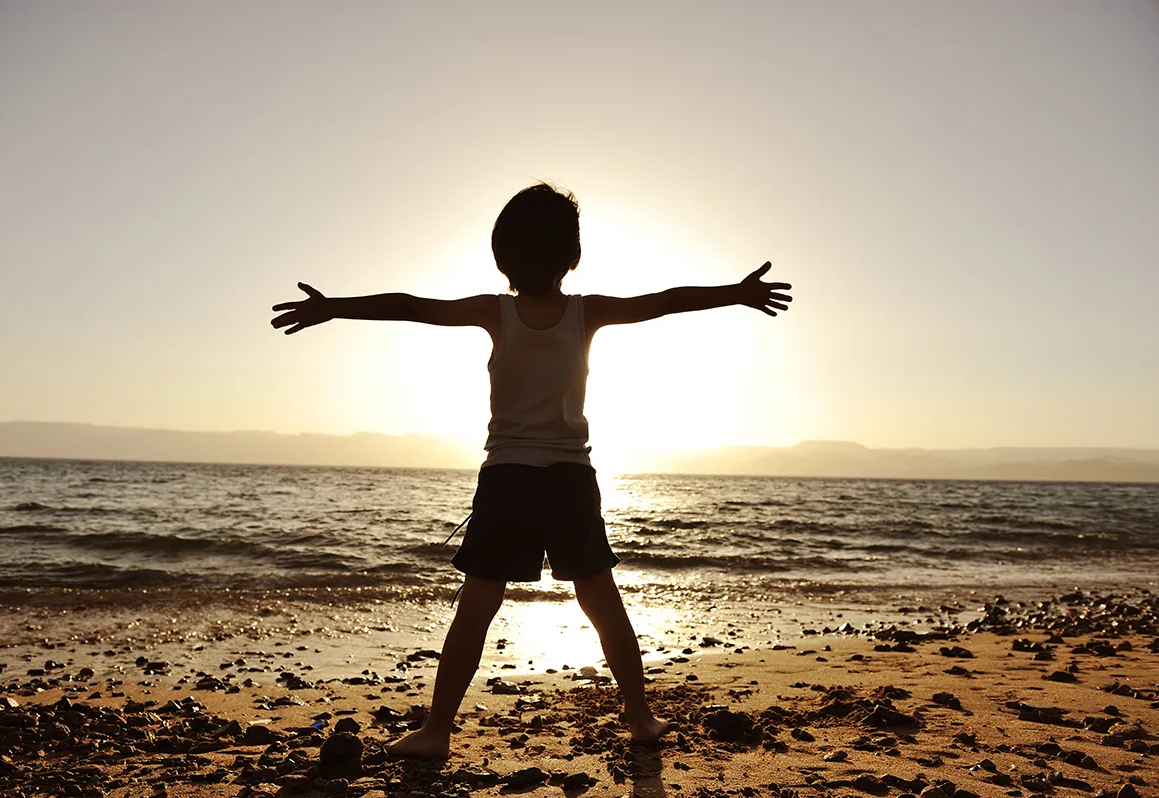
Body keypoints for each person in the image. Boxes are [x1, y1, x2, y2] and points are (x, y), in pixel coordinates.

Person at [270, 183, 792, 758]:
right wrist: (736, 293)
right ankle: (641, 720)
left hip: (507, 480)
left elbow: (410, 306)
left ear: (502, 257)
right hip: (570, 480)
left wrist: (333, 307)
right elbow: (665, 299)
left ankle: (437, 732)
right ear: (572, 257)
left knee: (477, 605)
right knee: (601, 601)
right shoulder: (586, 313)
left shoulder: (495, 312)